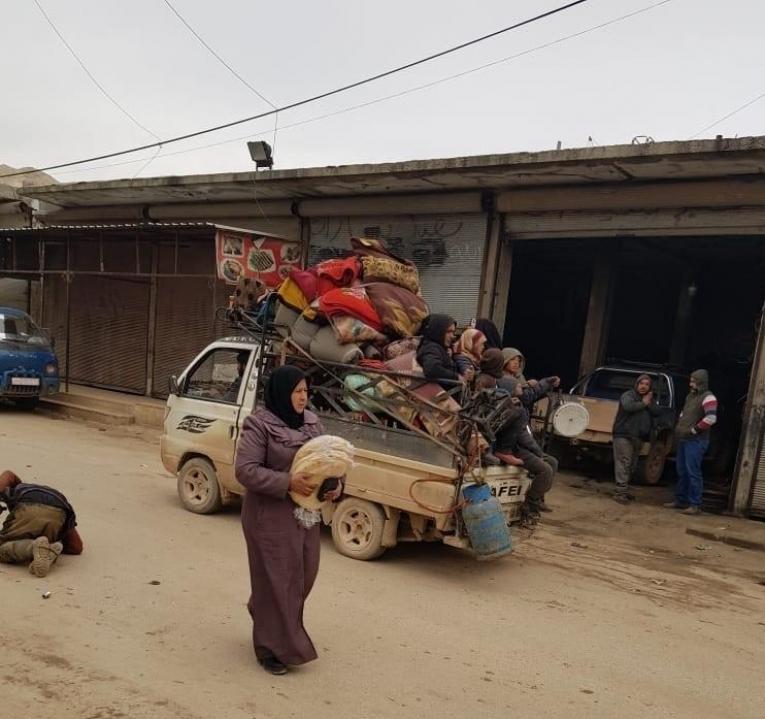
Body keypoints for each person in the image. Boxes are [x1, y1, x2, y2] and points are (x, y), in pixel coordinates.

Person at [235, 366, 342, 675]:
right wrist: (288, 482)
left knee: (303, 576)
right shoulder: (260, 425)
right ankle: (270, 648)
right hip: (269, 515)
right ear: (282, 393)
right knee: (279, 581)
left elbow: (330, 460)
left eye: (306, 391)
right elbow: (245, 470)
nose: (302, 397)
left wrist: (335, 485)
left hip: (306, 514)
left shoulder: (313, 422)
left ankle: (263, 608)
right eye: (296, 391)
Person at [492, 376, 558, 524]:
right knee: (545, 469)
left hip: (519, 446)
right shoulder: (515, 409)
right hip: (515, 449)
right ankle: (529, 507)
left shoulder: (516, 405)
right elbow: (522, 437)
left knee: (552, 462)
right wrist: (538, 453)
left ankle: (537, 499)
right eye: (517, 385)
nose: (521, 386)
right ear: (510, 388)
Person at [0, 470, 82, 577]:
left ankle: (32, 547)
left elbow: (8, 475)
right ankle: (49, 547)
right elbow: (76, 547)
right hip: (60, 511)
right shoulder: (54, 495)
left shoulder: (18, 488)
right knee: (43, 540)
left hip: (27, 505)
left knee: (2, 547)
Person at [664, 369, 718, 515]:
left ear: (700, 381)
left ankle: (695, 504)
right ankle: (681, 500)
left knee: (693, 471)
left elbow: (711, 419)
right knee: (682, 470)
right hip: (684, 438)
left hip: (696, 440)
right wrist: (680, 427)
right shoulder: (690, 396)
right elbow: (684, 413)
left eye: (693, 380)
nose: (690, 383)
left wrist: (694, 430)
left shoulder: (709, 398)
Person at [612, 374, 661, 505]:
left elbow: (657, 412)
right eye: (641, 383)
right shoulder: (628, 395)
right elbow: (628, 407)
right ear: (637, 384)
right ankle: (620, 493)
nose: (643, 386)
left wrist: (649, 402)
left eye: (647, 384)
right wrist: (643, 403)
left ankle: (624, 490)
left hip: (638, 437)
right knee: (624, 463)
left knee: (632, 465)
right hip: (624, 434)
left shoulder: (649, 399)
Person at [416, 314, 472, 389]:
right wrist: (456, 377)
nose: (452, 336)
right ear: (438, 331)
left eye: (453, 332)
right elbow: (432, 368)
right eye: (448, 332)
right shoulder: (431, 348)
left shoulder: (441, 347)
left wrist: (465, 371)